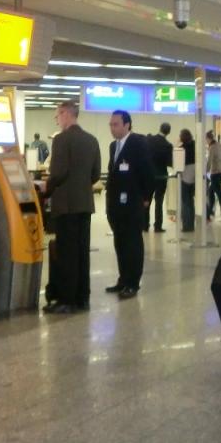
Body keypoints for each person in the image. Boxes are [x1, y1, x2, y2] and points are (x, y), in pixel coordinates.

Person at [42, 101, 101, 314]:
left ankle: (66, 300)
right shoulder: (92, 140)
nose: (57, 120)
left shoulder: (61, 140)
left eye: (57, 115)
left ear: (66, 114)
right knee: (82, 251)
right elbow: (95, 174)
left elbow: (58, 172)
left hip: (66, 205)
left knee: (67, 253)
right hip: (84, 204)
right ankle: (82, 298)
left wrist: (47, 188)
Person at [104, 111, 154, 298]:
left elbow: (148, 173)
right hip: (115, 205)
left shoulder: (138, 143)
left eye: (115, 124)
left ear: (127, 125)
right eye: (110, 124)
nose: (112, 128)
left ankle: (133, 283)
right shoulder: (113, 146)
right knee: (120, 242)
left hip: (133, 203)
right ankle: (123, 279)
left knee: (132, 243)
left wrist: (146, 198)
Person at [146, 123, 174, 233]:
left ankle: (144, 225)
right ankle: (158, 226)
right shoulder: (168, 145)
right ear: (168, 132)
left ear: (160, 128)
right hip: (161, 176)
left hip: (149, 175)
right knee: (159, 202)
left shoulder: (149, 140)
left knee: (147, 200)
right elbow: (169, 163)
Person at [206, 130, 221, 220]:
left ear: (208, 139)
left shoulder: (212, 147)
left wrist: (205, 171)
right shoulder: (220, 145)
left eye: (206, 140)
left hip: (215, 173)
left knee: (218, 193)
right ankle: (211, 211)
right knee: (211, 191)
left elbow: (209, 161)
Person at [178, 129, 196, 234]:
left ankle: (186, 226)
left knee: (185, 202)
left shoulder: (182, 149)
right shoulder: (195, 145)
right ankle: (191, 224)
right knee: (191, 200)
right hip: (195, 176)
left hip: (185, 175)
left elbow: (179, 164)